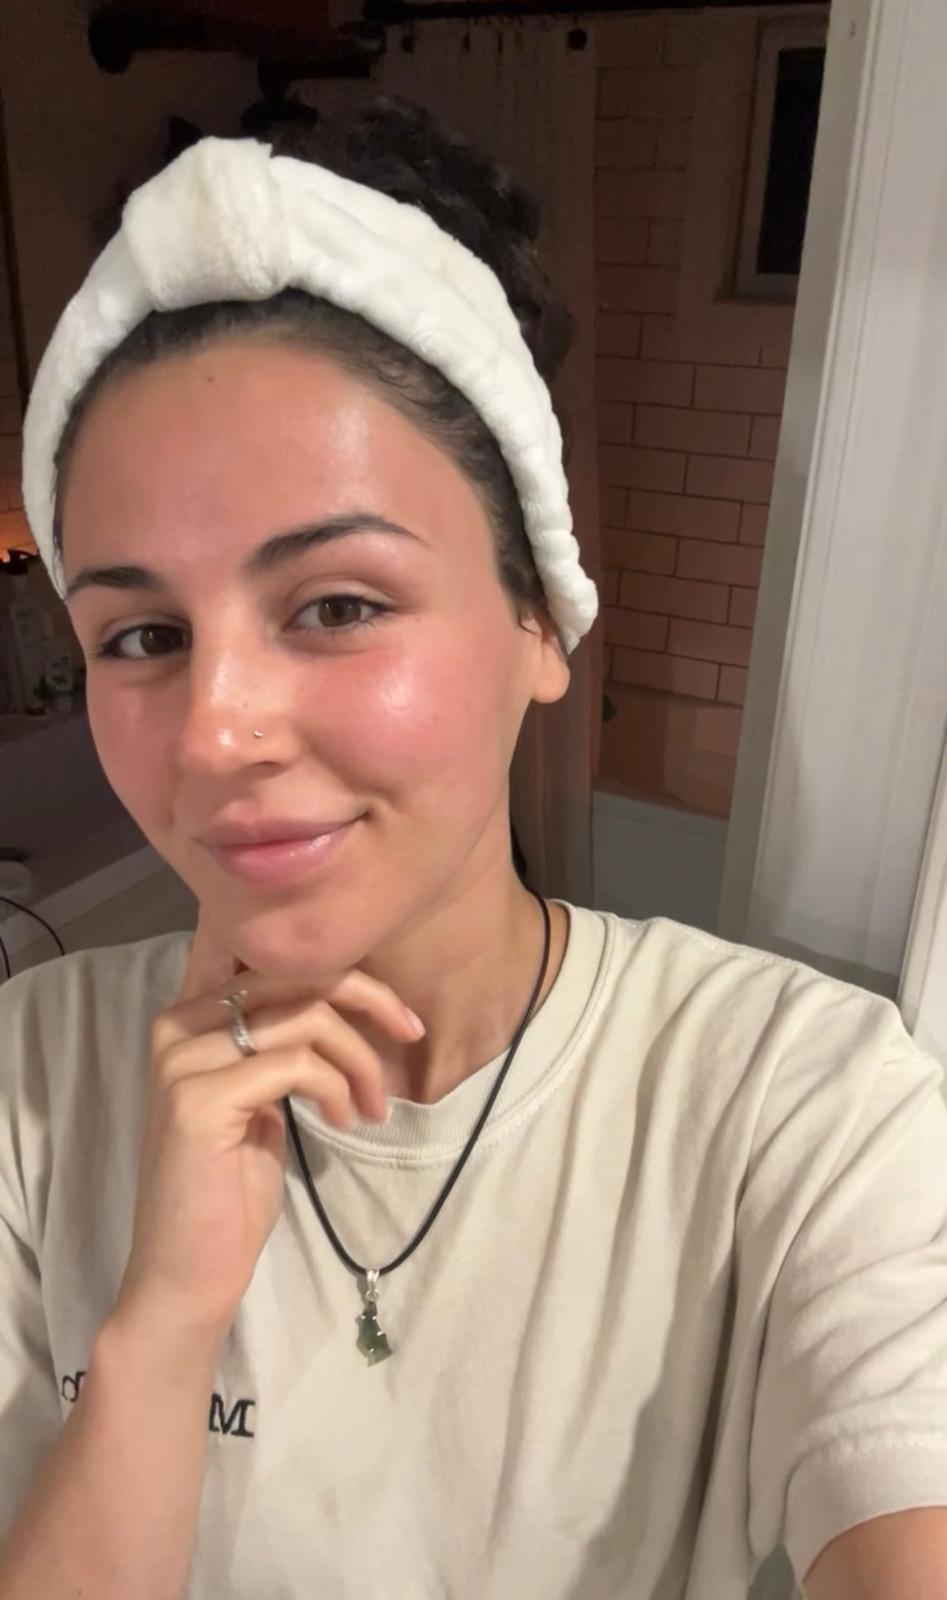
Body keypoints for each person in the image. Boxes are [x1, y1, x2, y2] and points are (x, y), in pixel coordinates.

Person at [1, 98, 946, 1600]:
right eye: (143, 636)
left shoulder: (806, 1110)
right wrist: (163, 1327)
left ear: (540, 620)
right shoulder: (29, 1082)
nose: (214, 733)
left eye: (337, 605)